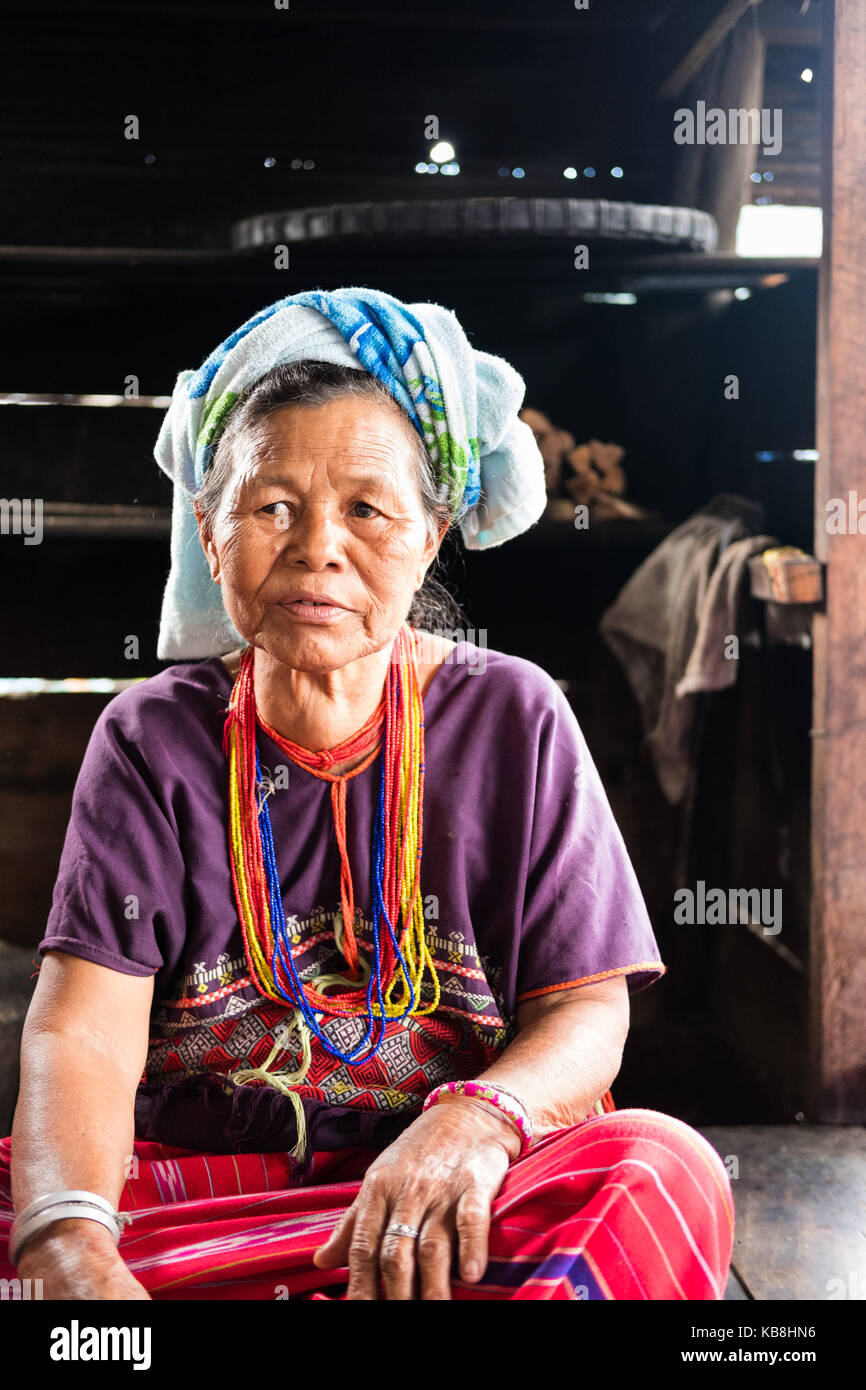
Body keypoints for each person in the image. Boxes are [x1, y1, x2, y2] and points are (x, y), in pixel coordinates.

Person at [0, 288, 733, 1300]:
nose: (316, 548)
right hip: (209, 1206)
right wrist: (69, 1240)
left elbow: (582, 1011)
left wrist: (472, 1120)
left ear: (430, 533)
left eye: (365, 508)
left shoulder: (513, 720)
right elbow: (82, 1031)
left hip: (445, 1200)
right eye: (271, 506)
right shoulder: (151, 740)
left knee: (654, 1169)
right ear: (210, 535)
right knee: (38, 1228)